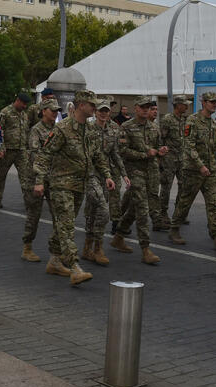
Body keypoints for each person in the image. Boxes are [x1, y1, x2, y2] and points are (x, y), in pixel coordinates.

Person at [33, 90, 115, 287]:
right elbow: (44, 155)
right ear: (81, 105)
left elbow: (97, 155)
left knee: (62, 224)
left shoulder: (90, 130)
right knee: (67, 226)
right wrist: (39, 180)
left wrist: (107, 175)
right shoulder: (62, 129)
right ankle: (74, 266)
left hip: (80, 185)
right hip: (61, 185)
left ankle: (54, 261)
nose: (95, 108)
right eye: (92, 104)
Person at [112, 96, 163, 265]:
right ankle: (145, 249)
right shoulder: (126, 127)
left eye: (148, 107)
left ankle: (119, 235)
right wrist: (144, 154)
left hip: (151, 172)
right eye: (143, 107)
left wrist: (161, 151)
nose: (146, 109)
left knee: (135, 208)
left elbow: (157, 147)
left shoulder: (154, 127)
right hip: (135, 171)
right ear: (136, 108)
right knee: (142, 209)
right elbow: (122, 150)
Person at [169, 91, 216, 247]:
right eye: (212, 102)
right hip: (193, 171)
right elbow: (189, 146)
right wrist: (200, 165)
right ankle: (174, 229)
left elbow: (213, 148)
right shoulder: (192, 121)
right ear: (203, 103)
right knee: (185, 202)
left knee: (213, 204)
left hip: (210, 171)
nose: (215, 104)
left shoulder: (213, 124)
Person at [81, 99, 129, 266]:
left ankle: (88, 247)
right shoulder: (88, 129)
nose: (103, 113)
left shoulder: (113, 130)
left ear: (110, 113)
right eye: (100, 110)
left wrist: (124, 174)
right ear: (95, 112)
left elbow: (115, 154)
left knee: (94, 212)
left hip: (105, 176)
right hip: (90, 175)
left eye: (106, 111)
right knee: (101, 210)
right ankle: (97, 248)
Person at [20, 99, 63, 265]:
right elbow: (36, 157)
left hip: (53, 179)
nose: (55, 113)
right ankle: (27, 247)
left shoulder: (58, 129)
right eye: (52, 110)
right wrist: (40, 180)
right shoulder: (36, 130)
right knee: (34, 214)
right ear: (43, 111)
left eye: (57, 110)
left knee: (59, 214)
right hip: (35, 179)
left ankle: (58, 251)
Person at [157, 94, 189, 230]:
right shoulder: (167, 119)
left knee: (184, 186)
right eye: (184, 104)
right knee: (166, 187)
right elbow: (160, 138)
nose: (186, 106)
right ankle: (162, 214)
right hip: (169, 158)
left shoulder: (184, 119)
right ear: (178, 105)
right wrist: (160, 156)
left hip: (182, 158)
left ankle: (178, 213)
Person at [0, 92, 30, 208]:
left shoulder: (24, 114)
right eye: (23, 103)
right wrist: (1, 148)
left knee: (25, 176)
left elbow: (26, 131)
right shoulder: (5, 112)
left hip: (21, 151)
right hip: (7, 150)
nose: (25, 106)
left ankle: (29, 202)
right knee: (1, 176)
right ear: (17, 100)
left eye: (26, 104)